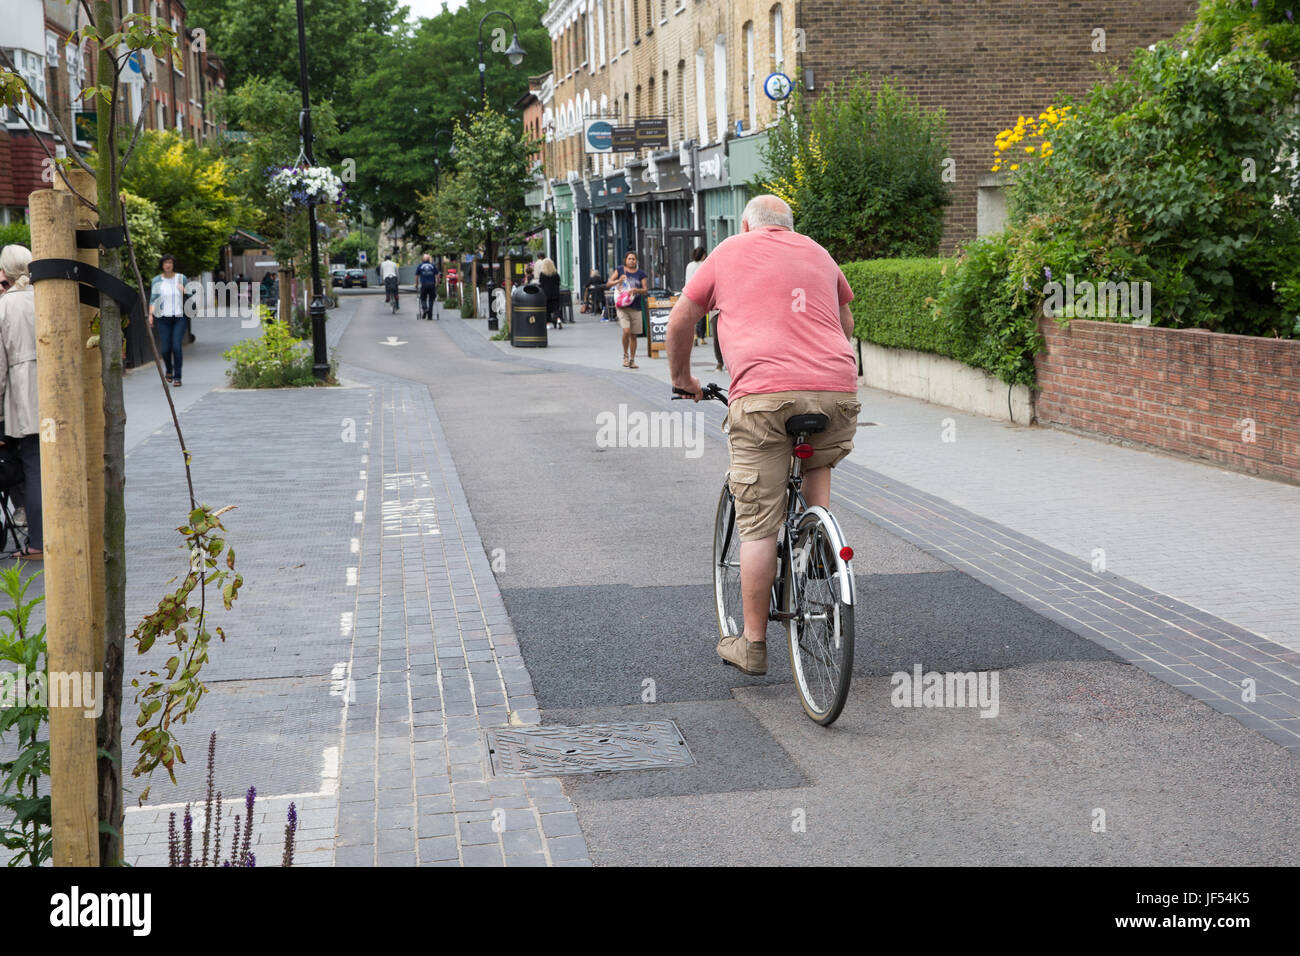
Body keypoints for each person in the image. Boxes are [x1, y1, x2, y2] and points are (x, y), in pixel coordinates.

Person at [666, 195, 860, 677]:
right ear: (789, 226)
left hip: (764, 400)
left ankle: (752, 644)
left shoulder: (731, 249)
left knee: (757, 523)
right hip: (836, 394)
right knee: (817, 459)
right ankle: (817, 540)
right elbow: (847, 322)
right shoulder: (817, 251)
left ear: (750, 224)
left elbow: (680, 320)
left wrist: (684, 380)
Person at [0, 244, 43, 560]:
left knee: (32, 462)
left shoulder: (4, 306)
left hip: (22, 390)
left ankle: (38, 541)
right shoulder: (45, 295)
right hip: (55, 387)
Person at [149, 253, 189, 387]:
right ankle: (169, 370)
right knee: (165, 349)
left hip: (179, 317)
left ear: (173, 264)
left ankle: (178, 377)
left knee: (176, 347)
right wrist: (150, 315)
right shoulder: (156, 281)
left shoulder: (181, 278)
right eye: (165, 263)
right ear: (162, 265)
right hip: (163, 318)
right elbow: (153, 299)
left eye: (170, 262)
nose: (168, 265)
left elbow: (190, 294)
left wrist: (184, 290)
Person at [607, 250, 648, 368]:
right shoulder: (620, 270)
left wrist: (636, 290)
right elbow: (609, 283)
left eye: (633, 259)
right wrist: (618, 281)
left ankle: (632, 359)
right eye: (629, 258)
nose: (631, 261)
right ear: (625, 260)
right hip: (622, 306)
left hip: (635, 307)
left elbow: (645, 290)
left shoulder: (641, 274)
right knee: (626, 331)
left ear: (636, 261)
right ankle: (625, 355)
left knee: (634, 335)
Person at [536, 258, 563, 330]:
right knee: (556, 308)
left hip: (546, 294)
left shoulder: (542, 275)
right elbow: (558, 283)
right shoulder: (555, 274)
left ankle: (547, 324)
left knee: (546, 309)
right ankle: (558, 319)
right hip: (555, 294)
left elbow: (541, 284)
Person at [415, 253, 439, 320]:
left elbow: (417, 276)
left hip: (424, 284)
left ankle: (425, 308)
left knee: (423, 298)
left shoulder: (420, 266)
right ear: (429, 259)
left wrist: (416, 284)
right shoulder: (433, 266)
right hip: (432, 284)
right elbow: (437, 275)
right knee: (431, 299)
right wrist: (437, 283)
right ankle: (430, 316)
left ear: (423, 259)